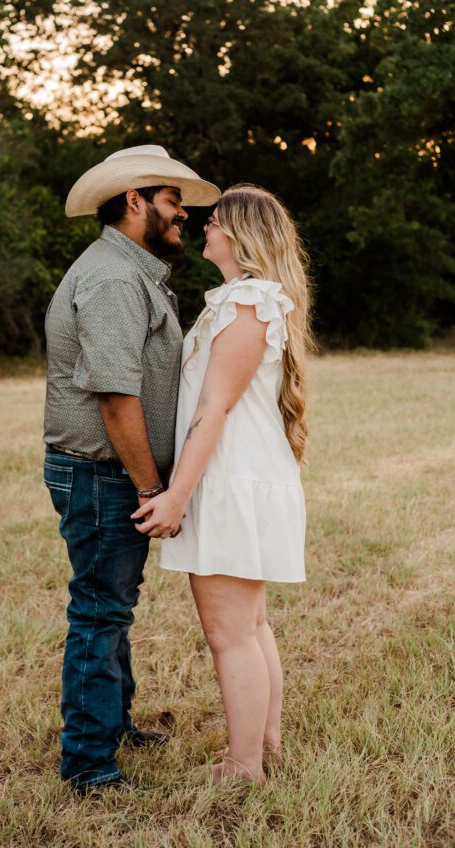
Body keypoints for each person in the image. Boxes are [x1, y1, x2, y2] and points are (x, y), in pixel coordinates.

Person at [43, 144, 220, 793]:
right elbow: (116, 398)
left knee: (112, 605)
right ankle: (89, 763)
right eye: (173, 201)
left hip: (107, 471)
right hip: (101, 473)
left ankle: (112, 723)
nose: (182, 216)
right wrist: (152, 486)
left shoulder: (131, 270)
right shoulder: (116, 279)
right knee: (101, 611)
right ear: (135, 201)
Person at [132, 184, 312, 785]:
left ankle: (244, 767)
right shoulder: (244, 301)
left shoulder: (248, 304)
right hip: (240, 476)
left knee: (229, 632)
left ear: (236, 233)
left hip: (232, 480)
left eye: (213, 222)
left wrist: (175, 495)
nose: (201, 227)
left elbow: (214, 409)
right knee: (250, 625)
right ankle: (267, 747)